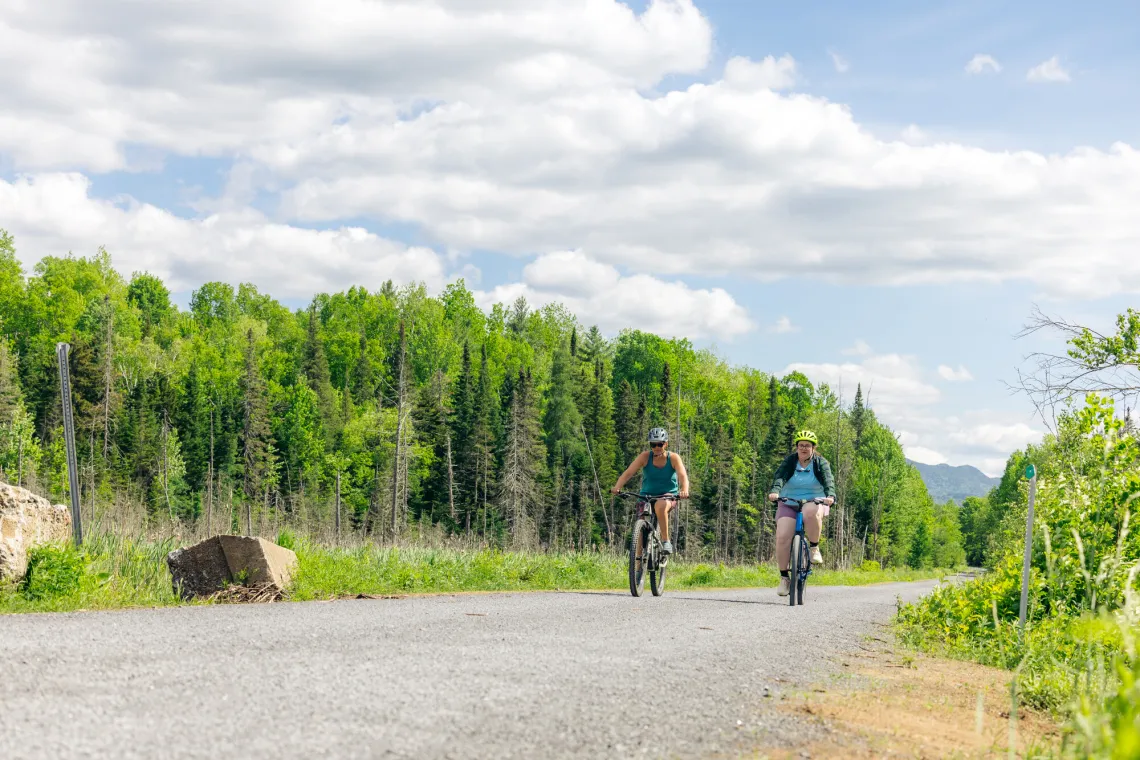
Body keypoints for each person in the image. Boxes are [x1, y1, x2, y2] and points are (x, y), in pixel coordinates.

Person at [767, 430, 836, 596]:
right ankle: (784, 578)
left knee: (810, 511)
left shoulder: (820, 463)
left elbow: (828, 480)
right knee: (782, 536)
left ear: (813, 448)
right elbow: (780, 477)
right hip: (789, 501)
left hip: (815, 500)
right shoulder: (790, 461)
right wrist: (775, 491)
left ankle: (813, 547)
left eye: (807, 445)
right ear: (797, 447)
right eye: (801, 445)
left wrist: (830, 495)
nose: (804, 448)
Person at [611, 427, 690, 554]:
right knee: (640, 529)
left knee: (660, 505)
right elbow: (628, 473)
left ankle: (666, 541)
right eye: (653, 444)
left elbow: (683, 476)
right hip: (646, 495)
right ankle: (636, 569)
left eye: (660, 444)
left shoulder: (673, 458)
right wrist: (617, 487)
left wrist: (684, 490)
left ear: (666, 444)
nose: (657, 447)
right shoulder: (645, 457)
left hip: (667, 495)